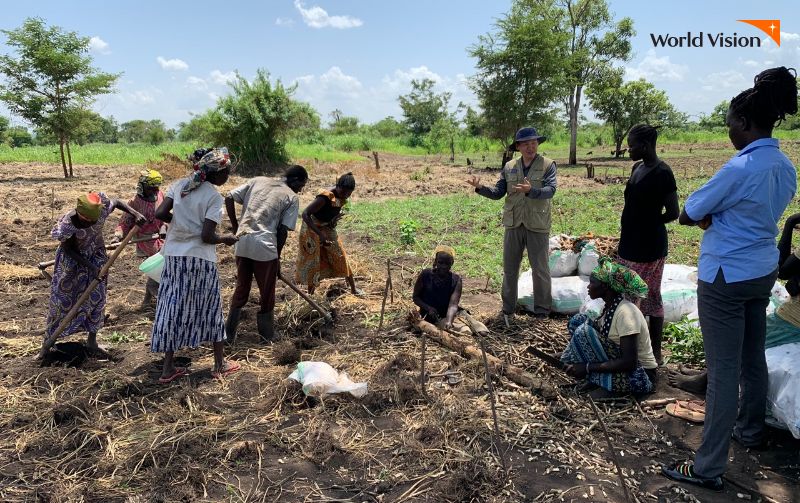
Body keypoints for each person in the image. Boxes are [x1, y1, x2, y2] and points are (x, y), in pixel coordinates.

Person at [662, 66, 798, 491]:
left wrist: (711, 218)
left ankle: (707, 468)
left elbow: (689, 212)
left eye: (729, 127)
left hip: (725, 276)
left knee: (722, 372)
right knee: (751, 355)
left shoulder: (739, 168)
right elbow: (759, 214)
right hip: (761, 271)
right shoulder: (783, 165)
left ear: (742, 122)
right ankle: (751, 431)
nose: (728, 135)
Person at [668, 211, 800, 393]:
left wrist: (790, 224)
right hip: (788, 311)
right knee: (742, 336)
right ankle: (708, 374)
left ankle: (705, 382)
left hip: (793, 319)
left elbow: (782, 271)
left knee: (742, 342)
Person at [151, 147, 240, 384]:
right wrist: (226, 239)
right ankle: (220, 363)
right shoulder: (213, 197)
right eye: (227, 172)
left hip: (174, 257)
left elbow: (160, 212)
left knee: (172, 306)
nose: (228, 176)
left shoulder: (180, 185)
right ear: (217, 174)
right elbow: (207, 237)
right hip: (199, 259)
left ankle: (168, 367)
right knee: (210, 307)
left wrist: (179, 223)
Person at [466, 127, 556, 326]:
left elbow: (551, 190)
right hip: (514, 223)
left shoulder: (548, 165)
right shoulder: (509, 167)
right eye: (525, 143)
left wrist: (532, 190)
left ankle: (542, 311)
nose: (530, 147)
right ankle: (508, 308)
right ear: (518, 147)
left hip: (537, 224)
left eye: (533, 143)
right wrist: (480, 188)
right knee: (510, 268)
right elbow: (498, 192)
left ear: (538, 144)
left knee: (540, 269)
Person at [45, 192, 146, 351]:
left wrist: (135, 213)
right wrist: (91, 267)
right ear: (79, 213)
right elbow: (69, 250)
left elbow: (117, 202)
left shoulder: (102, 208)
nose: (90, 224)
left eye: (93, 220)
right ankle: (50, 339)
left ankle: (92, 341)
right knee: (63, 301)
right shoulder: (68, 225)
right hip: (72, 264)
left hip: (96, 258)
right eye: (86, 221)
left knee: (97, 299)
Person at [617, 124, 680, 364]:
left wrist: (647, 224)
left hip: (649, 247)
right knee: (628, 296)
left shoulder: (663, 172)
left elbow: (673, 212)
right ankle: (631, 349)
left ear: (644, 146)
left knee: (648, 297)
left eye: (632, 145)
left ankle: (652, 351)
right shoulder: (636, 168)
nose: (628, 149)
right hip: (628, 245)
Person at [225, 165, 308, 343]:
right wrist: (276, 259)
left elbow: (229, 196)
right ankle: (267, 335)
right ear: (296, 181)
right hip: (265, 246)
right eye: (302, 185)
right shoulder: (291, 197)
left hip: (242, 242)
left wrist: (235, 227)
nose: (301, 190)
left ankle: (228, 334)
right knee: (267, 292)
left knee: (241, 288)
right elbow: (282, 232)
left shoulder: (258, 180)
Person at [560, 258, 658, 398]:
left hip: (641, 375)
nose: (588, 287)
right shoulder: (608, 308)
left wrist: (587, 367)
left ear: (605, 286)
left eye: (592, 282)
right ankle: (600, 381)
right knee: (578, 321)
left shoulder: (626, 312)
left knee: (584, 331)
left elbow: (630, 362)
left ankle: (610, 387)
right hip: (623, 366)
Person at [296, 172, 359, 295]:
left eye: (349, 193)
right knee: (314, 261)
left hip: (326, 227)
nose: (346, 196)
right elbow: (305, 214)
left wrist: (333, 220)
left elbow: (329, 213)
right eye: (343, 192)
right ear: (338, 186)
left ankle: (353, 289)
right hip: (312, 228)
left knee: (340, 255)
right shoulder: (324, 197)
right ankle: (311, 295)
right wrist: (320, 234)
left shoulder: (341, 197)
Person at [113, 169, 168, 307]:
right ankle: (156, 292)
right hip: (145, 239)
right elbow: (124, 222)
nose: (154, 191)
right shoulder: (135, 202)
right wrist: (118, 236)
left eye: (155, 188)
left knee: (158, 266)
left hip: (161, 236)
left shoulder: (160, 195)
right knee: (159, 262)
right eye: (150, 188)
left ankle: (147, 300)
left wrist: (163, 227)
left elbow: (165, 216)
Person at [412, 245, 489, 336]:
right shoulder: (426, 275)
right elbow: (415, 297)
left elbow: (453, 304)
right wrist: (428, 308)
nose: (443, 266)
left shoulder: (456, 280)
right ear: (436, 261)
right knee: (465, 331)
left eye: (447, 263)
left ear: (452, 263)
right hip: (436, 317)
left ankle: (460, 322)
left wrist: (449, 321)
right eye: (440, 263)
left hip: (452, 313)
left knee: (482, 332)